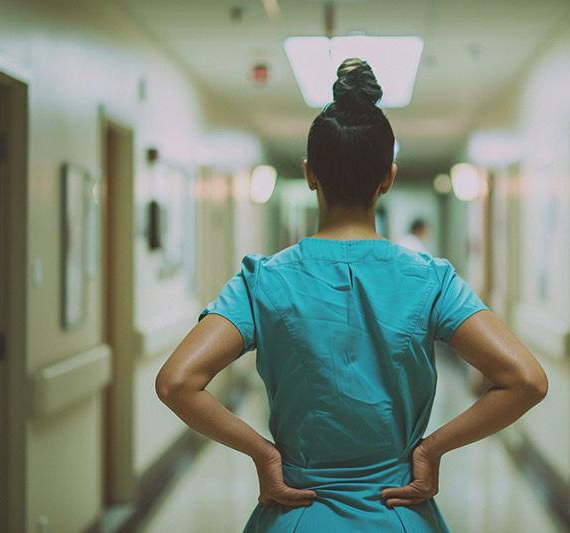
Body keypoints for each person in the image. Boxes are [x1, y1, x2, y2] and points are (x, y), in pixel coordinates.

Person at [156, 58, 548, 532]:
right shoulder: (431, 280)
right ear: (388, 177)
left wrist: (262, 454)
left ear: (309, 174)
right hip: (398, 512)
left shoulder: (264, 280)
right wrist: (430, 449)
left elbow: (177, 382)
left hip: (297, 511)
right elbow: (526, 380)